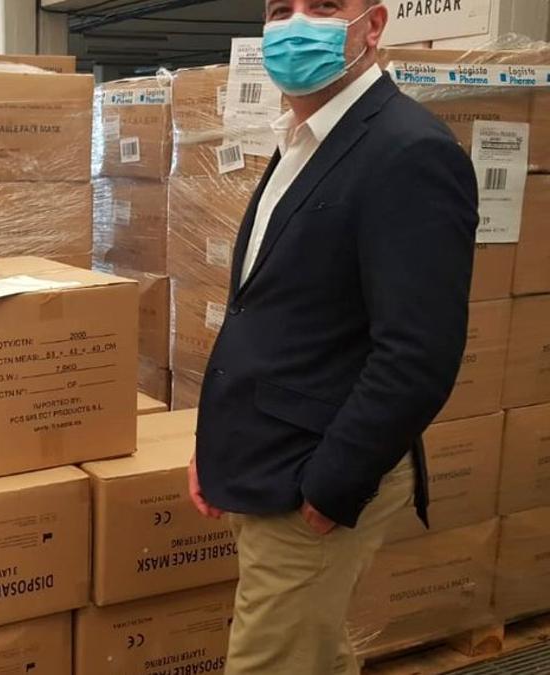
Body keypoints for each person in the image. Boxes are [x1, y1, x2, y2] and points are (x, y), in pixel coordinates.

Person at [187, 1, 478, 673]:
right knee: (311, 652)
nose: (294, 24)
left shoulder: (407, 151)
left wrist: (330, 487)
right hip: (263, 461)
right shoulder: (302, 140)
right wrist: (217, 445)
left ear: (372, 26)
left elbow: (418, 352)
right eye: (279, 9)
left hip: (309, 478)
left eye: (322, 6)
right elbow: (272, 315)